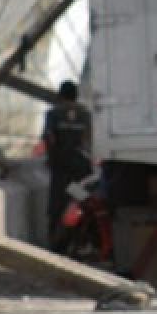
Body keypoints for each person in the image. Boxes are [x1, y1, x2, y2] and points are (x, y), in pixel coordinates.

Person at [42, 80, 93, 251]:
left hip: (61, 170)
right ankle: (80, 242)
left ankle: (56, 246)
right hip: (81, 171)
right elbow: (90, 141)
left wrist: (51, 158)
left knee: (57, 206)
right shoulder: (86, 114)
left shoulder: (53, 113)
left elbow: (49, 138)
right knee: (79, 202)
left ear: (60, 95)